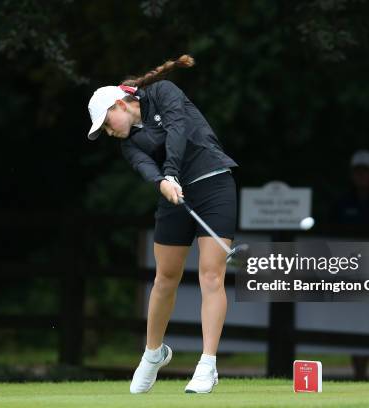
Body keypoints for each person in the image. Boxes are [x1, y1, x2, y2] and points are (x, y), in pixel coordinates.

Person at [86, 55, 239, 394]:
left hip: (213, 184)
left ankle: (207, 364)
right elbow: (143, 166)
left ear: (119, 105)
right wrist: (161, 182)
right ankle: (153, 354)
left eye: (107, 123)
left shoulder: (163, 91)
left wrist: (169, 173)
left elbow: (178, 130)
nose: (110, 132)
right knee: (165, 277)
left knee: (211, 274)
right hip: (174, 196)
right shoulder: (129, 144)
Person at [331, 149, 369, 381]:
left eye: (366, 171)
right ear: (352, 174)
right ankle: (359, 376)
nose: (362, 176)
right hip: (354, 273)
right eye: (358, 171)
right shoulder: (342, 202)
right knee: (357, 322)